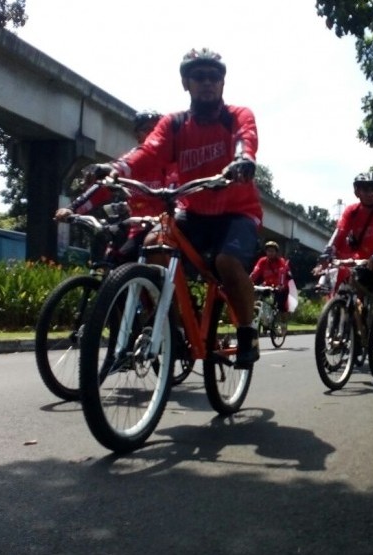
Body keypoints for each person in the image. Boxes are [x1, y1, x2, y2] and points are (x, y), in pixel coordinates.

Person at [80, 48, 262, 369]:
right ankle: (175, 326)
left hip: (237, 213)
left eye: (213, 77)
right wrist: (115, 169)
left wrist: (243, 160)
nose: (207, 83)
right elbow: (148, 153)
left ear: (222, 82)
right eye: (198, 77)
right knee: (153, 246)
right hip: (193, 214)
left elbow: (244, 140)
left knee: (228, 262)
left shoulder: (237, 115)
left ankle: (248, 331)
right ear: (185, 83)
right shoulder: (174, 125)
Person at [55, 110, 175, 263]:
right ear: (137, 135)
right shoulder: (131, 160)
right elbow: (104, 186)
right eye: (147, 130)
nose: (152, 134)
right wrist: (72, 208)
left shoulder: (173, 159)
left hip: (169, 230)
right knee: (112, 261)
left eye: (156, 130)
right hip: (137, 227)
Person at [320, 172, 373, 321]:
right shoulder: (351, 211)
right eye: (365, 189)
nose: (370, 193)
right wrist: (328, 250)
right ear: (357, 192)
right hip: (362, 260)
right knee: (348, 280)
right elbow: (340, 231)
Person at [250, 240, 292, 322]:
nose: (270, 253)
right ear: (266, 251)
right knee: (255, 294)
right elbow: (255, 272)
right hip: (267, 285)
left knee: (282, 307)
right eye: (268, 251)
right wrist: (248, 281)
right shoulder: (262, 261)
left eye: (272, 251)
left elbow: (282, 273)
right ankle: (257, 314)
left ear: (276, 252)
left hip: (281, 287)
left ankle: (283, 324)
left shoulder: (281, 261)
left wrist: (280, 285)